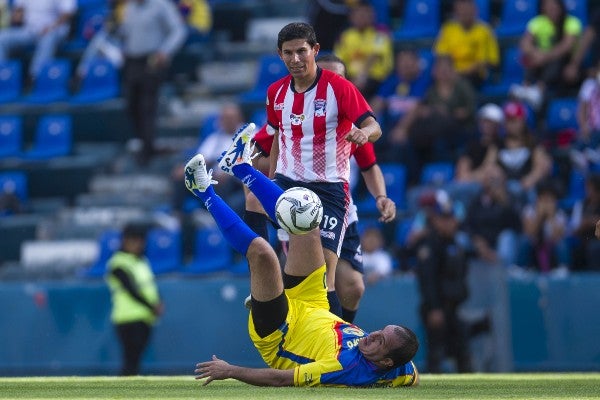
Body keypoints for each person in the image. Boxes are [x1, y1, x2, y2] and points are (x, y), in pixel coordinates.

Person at [184, 136, 419, 387]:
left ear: (385, 362)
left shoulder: (345, 368)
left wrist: (230, 370)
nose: (373, 335)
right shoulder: (401, 369)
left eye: (380, 342)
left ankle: (202, 190)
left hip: (281, 332)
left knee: (263, 253)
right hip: (314, 301)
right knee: (307, 219)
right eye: (380, 332)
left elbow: (281, 379)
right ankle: (240, 166)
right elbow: (413, 378)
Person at [249, 53, 395, 323]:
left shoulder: (348, 121)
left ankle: (340, 337)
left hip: (338, 202)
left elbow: (369, 164)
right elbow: (266, 143)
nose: (327, 81)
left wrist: (382, 197)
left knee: (353, 287)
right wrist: (259, 167)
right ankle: (266, 288)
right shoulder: (292, 114)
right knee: (318, 279)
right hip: (299, 200)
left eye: (336, 76)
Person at [119, 0, 187, 165]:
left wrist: (165, 51)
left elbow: (178, 30)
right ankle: (144, 142)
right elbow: (126, 33)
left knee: (147, 104)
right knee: (131, 104)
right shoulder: (129, 7)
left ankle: (147, 150)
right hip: (132, 61)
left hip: (152, 59)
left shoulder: (161, 5)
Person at [414, 189, 472, 373]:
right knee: (436, 353)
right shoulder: (430, 244)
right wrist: (434, 308)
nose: (448, 223)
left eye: (451, 218)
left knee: (462, 352)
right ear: (436, 220)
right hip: (437, 308)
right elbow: (427, 279)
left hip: (454, 307)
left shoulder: (457, 243)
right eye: (443, 218)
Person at [105, 222, 164, 376]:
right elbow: (131, 290)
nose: (140, 244)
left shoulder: (142, 260)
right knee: (130, 359)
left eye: (141, 240)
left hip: (145, 317)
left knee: (135, 360)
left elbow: (150, 286)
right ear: (125, 240)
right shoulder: (118, 262)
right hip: (127, 318)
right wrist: (152, 306)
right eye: (136, 240)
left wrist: (158, 302)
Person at [510, 0, 582, 110]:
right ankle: (526, 87)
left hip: (564, 64)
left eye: (553, 5)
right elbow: (525, 44)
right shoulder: (537, 22)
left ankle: (539, 89)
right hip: (541, 61)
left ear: (560, 7)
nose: (550, 8)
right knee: (529, 57)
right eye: (547, 5)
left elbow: (566, 46)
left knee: (557, 58)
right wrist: (536, 53)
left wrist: (544, 56)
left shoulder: (572, 22)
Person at [0, 0, 77, 85]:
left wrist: (51, 26)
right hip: (30, 31)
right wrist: (17, 14)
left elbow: (68, 13)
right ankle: (3, 75)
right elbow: (18, 11)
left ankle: (34, 78)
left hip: (55, 29)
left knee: (48, 38)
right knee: (2, 37)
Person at [333, 1, 393, 100]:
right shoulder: (345, 35)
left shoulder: (380, 32)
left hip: (374, 78)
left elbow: (375, 56)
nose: (362, 17)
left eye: (366, 14)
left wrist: (362, 76)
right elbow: (339, 60)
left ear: (372, 16)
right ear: (352, 17)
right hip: (350, 77)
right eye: (359, 15)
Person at [433, 0, 499, 88]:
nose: (465, 14)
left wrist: (463, 72)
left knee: (462, 84)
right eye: (462, 11)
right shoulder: (448, 29)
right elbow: (441, 54)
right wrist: (449, 72)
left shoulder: (485, 31)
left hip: (475, 75)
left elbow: (489, 60)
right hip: (451, 73)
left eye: (468, 11)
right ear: (456, 12)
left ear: (475, 11)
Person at [517, 178, 571, 273]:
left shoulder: (559, 214)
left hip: (551, 249)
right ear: (538, 199)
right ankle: (521, 268)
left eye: (549, 200)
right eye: (544, 199)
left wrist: (551, 217)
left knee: (561, 243)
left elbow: (557, 237)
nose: (546, 203)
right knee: (524, 240)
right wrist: (539, 216)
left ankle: (562, 269)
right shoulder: (529, 211)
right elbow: (529, 232)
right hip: (534, 247)